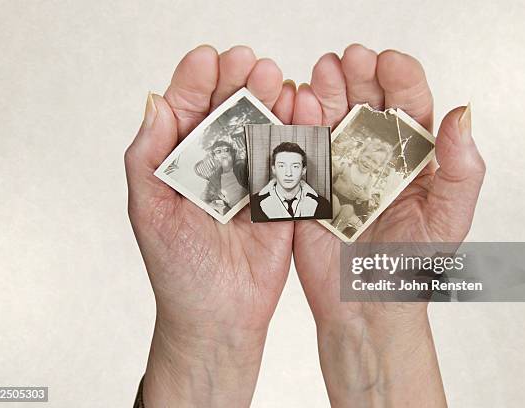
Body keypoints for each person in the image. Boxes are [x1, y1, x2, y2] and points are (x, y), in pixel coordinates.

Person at [125, 44, 485, 407]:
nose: (288, 174)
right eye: (281, 167)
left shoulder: (320, 198)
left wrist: (378, 327)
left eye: (295, 168)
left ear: (301, 171)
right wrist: (206, 332)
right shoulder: (260, 194)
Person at [250, 142, 331, 221]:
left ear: (303, 170)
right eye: (281, 166)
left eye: (295, 166)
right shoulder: (253, 204)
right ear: (274, 169)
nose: (288, 173)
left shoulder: (323, 205)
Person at [331, 138, 394, 234]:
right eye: (367, 157)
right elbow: (333, 174)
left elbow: (367, 197)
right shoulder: (348, 166)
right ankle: (325, 223)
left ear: (379, 166)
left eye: (374, 162)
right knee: (334, 202)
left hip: (348, 202)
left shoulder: (369, 180)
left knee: (349, 210)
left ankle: (334, 231)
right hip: (334, 194)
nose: (368, 162)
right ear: (360, 154)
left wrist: (361, 195)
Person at [195, 140, 248, 214]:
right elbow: (203, 199)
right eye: (218, 151)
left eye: (226, 150)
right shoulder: (215, 179)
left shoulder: (242, 165)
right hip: (236, 212)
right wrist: (219, 207)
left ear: (231, 153)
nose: (223, 153)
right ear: (215, 157)